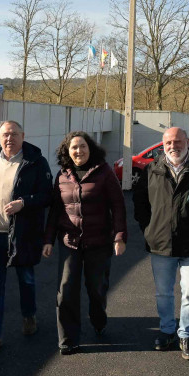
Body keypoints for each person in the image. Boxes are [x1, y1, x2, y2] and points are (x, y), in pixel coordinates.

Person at [133, 127, 189, 361]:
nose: (174, 146)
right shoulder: (152, 169)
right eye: (169, 142)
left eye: (179, 141)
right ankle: (167, 330)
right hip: (160, 244)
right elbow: (140, 202)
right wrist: (149, 229)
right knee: (163, 293)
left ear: (188, 142)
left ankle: (186, 335)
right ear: (163, 144)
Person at [0, 120, 53, 356]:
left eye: (14, 134)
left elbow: (47, 195)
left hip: (22, 235)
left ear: (23, 135)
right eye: (5, 134)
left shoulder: (36, 161)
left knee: (26, 280)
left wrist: (24, 203)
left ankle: (29, 316)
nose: (10, 138)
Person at [42, 131, 127, 355]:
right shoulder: (61, 176)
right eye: (74, 148)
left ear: (91, 149)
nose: (79, 151)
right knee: (66, 289)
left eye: (83, 147)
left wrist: (119, 236)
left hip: (98, 242)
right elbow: (55, 210)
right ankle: (68, 339)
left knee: (96, 289)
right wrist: (48, 239)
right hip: (70, 241)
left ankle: (98, 319)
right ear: (67, 151)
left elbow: (118, 206)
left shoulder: (104, 172)